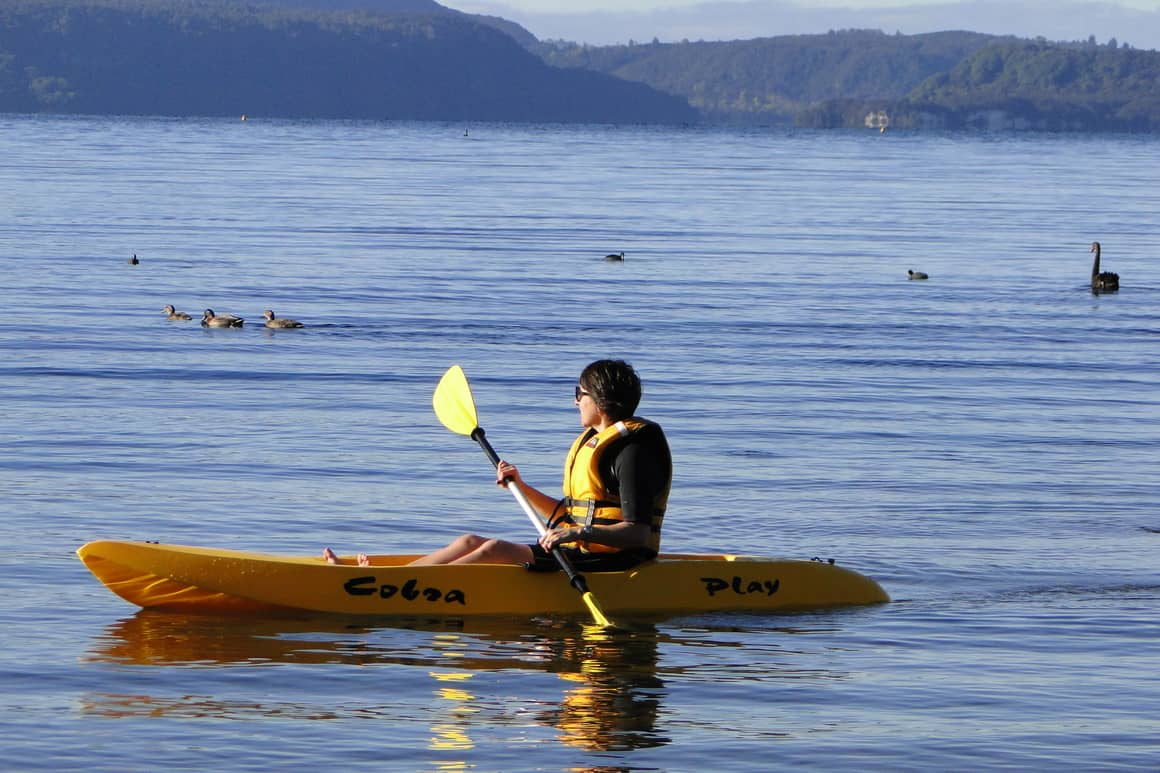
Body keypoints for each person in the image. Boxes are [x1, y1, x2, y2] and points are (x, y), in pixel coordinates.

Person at [323, 359, 671, 571]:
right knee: (469, 541)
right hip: (582, 549)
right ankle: (382, 581)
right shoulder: (596, 443)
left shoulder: (633, 450)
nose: (574, 400)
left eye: (579, 393)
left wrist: (577, 533)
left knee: (493, 550)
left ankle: (397, 594)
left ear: (599, 400)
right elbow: (572, 514)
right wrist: (521, 486)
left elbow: (637, 532)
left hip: (617, 562)